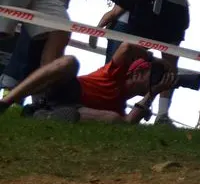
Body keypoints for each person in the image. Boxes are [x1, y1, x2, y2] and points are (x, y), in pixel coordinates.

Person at [0, 42, 176, 123]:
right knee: (69, 62)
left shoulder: (119, 107)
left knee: (114, 119)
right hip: (66, 89)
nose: (152, 78)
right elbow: (126, 48)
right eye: (151, 73)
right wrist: (152, 58)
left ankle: (43, 115)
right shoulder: (115, 73)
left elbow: (128, 123)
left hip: (73, 109)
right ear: (136, 71)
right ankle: (7, 102)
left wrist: (153, 93)